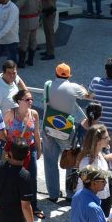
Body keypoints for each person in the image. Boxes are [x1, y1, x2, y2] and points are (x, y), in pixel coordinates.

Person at [44, 62, 88, 201]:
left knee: (50, 162)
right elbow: (88, 95)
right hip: (66, 129)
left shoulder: (48, 84)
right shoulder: (74, 87)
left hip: (48, 126)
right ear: (69, 75)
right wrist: (82, 87)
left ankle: (53, 195)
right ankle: (70, 194)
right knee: (71, 160)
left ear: (56, 73)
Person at [4, 88, 43, 217]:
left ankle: (34, 206)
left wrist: (39, 148)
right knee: (13, 178)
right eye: (27, 99)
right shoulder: (10, 113)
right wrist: (8, 145)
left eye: (32, 99)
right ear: (19, 101)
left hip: (29, 149)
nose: (30, 101)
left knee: (32, 178)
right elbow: (3, 130)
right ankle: (14, 204)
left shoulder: (34, 114)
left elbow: (36, 133)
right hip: (14, 151)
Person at [0, 0, 19, 71]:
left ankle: (13, 77)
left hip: (10, 40)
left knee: (11, 62)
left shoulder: (13, 8)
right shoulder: (0, 6)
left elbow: (9, 25)